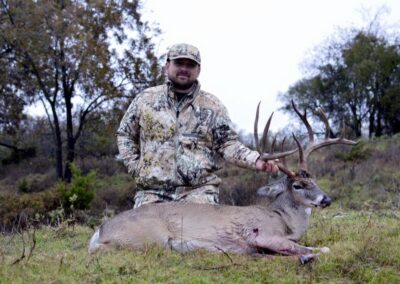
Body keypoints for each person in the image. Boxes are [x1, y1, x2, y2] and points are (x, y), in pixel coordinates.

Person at [117, 43, 279, 208]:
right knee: (143, 233)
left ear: (198, 70)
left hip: (198, 192)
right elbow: (125, 135)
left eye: (190, 65)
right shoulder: (145, 100)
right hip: (152, 192)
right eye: (179, 63)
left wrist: (256, 160)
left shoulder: (212, 106)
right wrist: (136, 167)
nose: (184, 69)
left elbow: (228, 144)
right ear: (167, 66)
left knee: (201, 233)